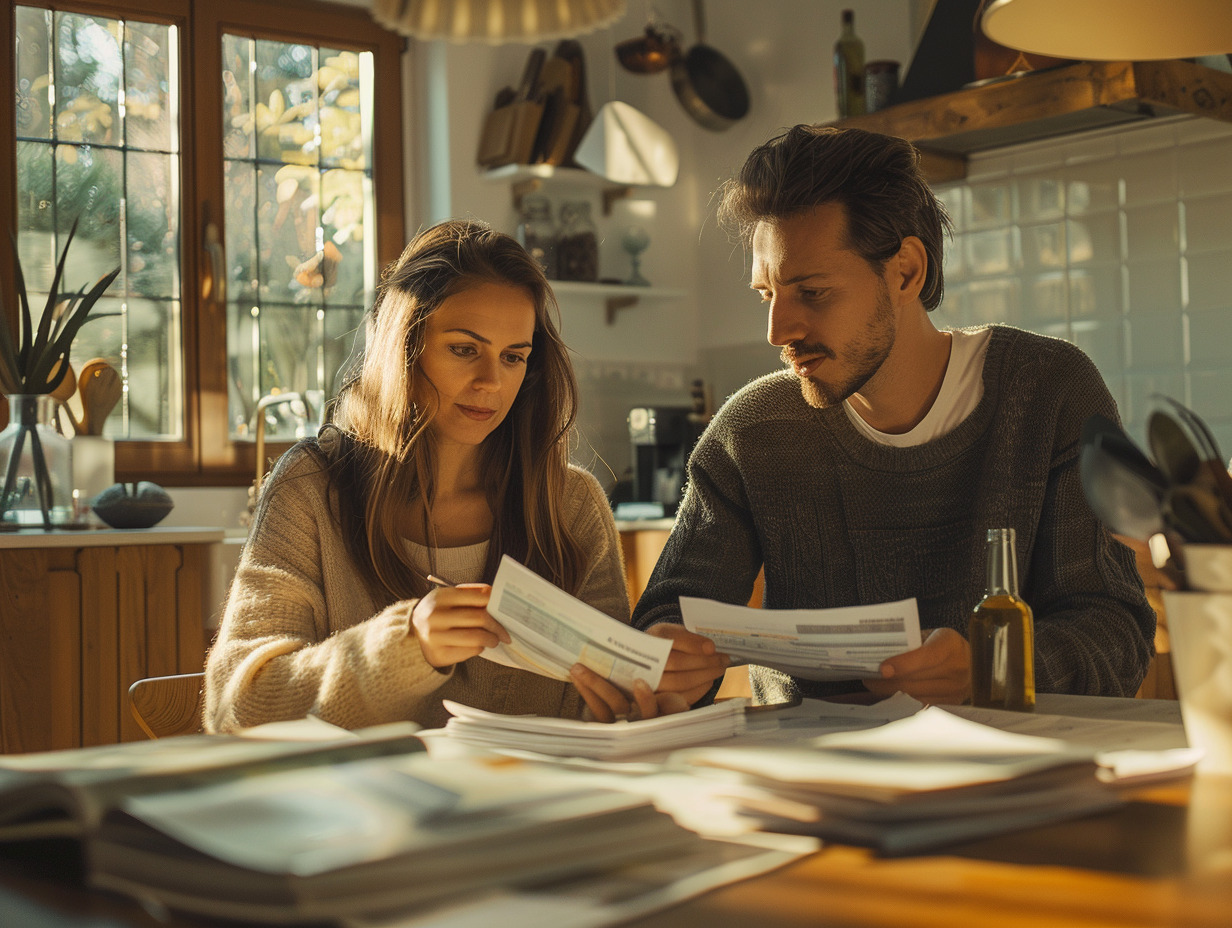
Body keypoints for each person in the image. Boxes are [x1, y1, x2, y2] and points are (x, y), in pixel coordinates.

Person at [633, 125, 1156, 707]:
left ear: (906, 271)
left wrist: (992, 669)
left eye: (812, 292)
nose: (778, 331)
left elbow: (1117, 633)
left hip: (1008, 772)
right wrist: (660, 665)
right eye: (767, 294)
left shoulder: (1049, 392)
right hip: (804, 778)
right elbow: (667, 615)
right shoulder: (752, 433)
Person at [205, 219, 690, 732]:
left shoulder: (570, 503)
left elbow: (601, 711)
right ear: (404, 348)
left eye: (514, 357)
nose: (491, 382)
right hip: (362, 807)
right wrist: (404, 646)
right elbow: (238, 709)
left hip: (529, 803)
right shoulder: (311, 487)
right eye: (464, 349)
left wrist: (646, 698)